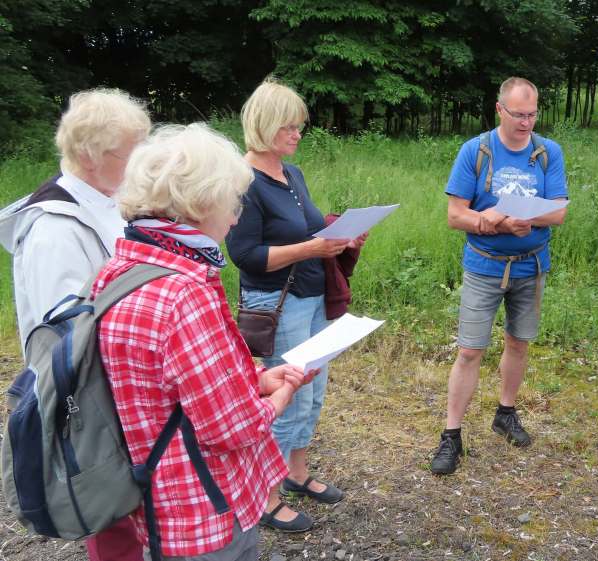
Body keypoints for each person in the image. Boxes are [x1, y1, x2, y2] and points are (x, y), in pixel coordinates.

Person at [97, 122, 311, 560]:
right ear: (200, 203)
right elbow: (233, 428)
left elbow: (165, 382)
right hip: (203, 511)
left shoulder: (119, 271)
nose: (235, 218)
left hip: (152, 497)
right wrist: (282, 393)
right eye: (232, 202)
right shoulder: (184, 295)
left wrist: (256, 379)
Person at [0, 88, 150, 561]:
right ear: (90, 155)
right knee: (112, 505)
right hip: (91, 394)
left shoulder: (108, 199)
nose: (140, 164)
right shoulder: (54, 229)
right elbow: (68, 337)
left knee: (139, 500)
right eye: (130, 153)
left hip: (124, 380)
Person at [227, 78, 364, 531]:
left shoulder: (293, 174)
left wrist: (341, 237)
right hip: (277, 302)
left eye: (299, 125)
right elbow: (245, 256)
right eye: (289, 126)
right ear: (265, 126)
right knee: (287, 396)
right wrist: (312, 248)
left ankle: (296, 474)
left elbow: (308, 230)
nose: (298, 133)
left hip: (313, 295)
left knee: (313, 391)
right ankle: (264, 498)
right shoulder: (243, 183)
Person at [429, 76, 568, 475]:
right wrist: (496, 223)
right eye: (518, 114)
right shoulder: (476, 151)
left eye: (532, 114)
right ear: (499, 110)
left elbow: (558, 211)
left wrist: (518, 219)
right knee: (470, 350)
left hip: (531, 265)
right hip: (484, 264)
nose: (526, 122)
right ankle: (451, 435)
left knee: (519, 343)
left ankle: (505, 413)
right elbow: (455, 215)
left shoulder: (547, 152)